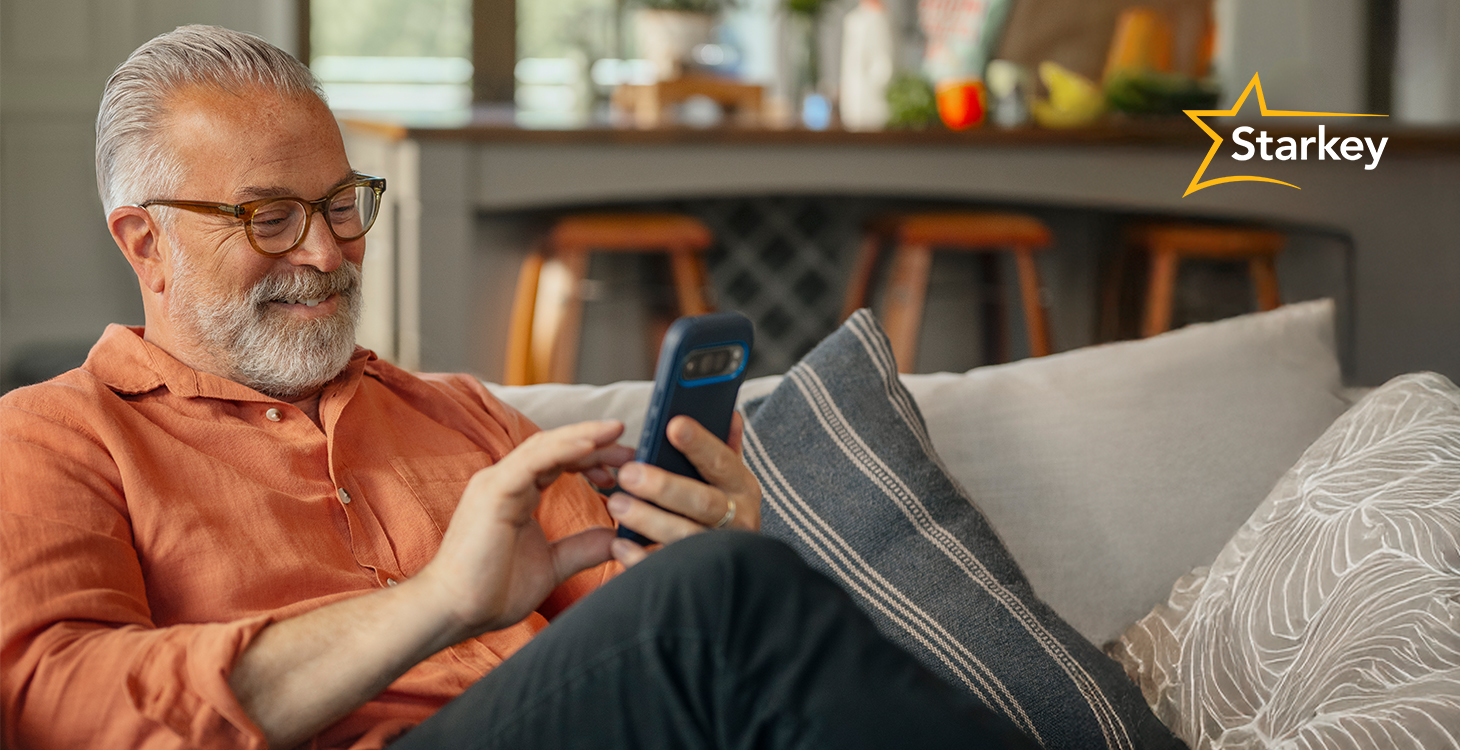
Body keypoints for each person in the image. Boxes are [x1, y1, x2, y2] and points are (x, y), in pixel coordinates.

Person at [0, 25, 1035, 750]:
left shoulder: (460, 416)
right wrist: (437, 603)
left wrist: (696, 547)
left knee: (721, 583)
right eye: (269, 218)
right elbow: (56, 706)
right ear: (147, 244)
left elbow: (640, 642)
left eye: (341, 205)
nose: (323, 252)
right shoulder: (52, 437)